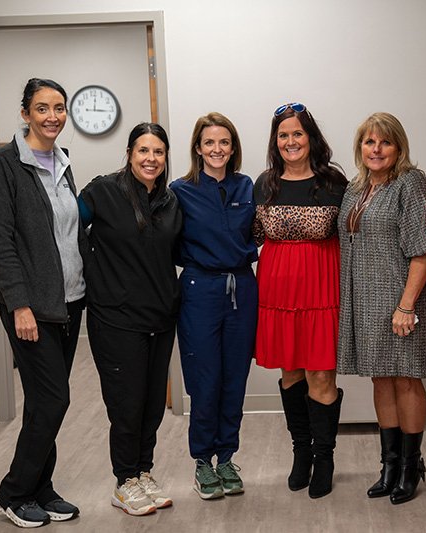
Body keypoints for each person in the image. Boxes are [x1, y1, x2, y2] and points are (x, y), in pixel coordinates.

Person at [0, 78, 85, 528]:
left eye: (59, 108)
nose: (52, 116)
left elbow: (64, 233)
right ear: (25, 113)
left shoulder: (63, 162)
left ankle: (41, 488)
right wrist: (19, 304)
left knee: (45, 402)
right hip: (29, 304)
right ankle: (13, 492)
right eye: (42, 108)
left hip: (69, 299)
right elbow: (0, 241)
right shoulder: (4, 163)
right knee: (54, 398)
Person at [78, 123, 182, 517]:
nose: (150, 158)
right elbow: (66, 230)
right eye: (143, 150)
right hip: (116, 318)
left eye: (158, 151)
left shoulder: (170, 200)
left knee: (153, 404)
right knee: (127, 404)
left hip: (160, 315)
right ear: (129, 152)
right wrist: (95, 274)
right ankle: (124, 482)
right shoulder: (102, 191)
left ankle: (142, 472)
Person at [337, 112, 426, 505]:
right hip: (366, 300)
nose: (376, 149)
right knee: (382, 380)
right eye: (369, 142)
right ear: (360, 147)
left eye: (385, 142)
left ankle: (411, 468)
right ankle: (390, 467)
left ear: (399, 148)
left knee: (407, 380)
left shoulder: (411, 184)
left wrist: (406, 306)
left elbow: (423, 250)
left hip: (403, 300)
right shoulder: (355, 187)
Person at [254, 102, 348, 499]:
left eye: (297, 133)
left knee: (321, 374)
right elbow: (253, 236)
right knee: (290, 371)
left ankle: (324, 459)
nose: (291, 141)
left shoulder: (333, 183)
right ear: (276, 142)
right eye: (283, 135)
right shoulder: (265, 183)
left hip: (321, 287)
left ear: (310, 137)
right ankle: (301, 455)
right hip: (277, 289)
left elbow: (350, 237)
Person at [170, 113, 258, 500]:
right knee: (205, 379)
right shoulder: (180, 190)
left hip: (241, 287)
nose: (217, 149)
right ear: (197, 148)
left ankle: (227, 457)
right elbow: (167, 242)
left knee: (234, 377)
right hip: (200, 289)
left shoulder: (246, 186)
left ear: (233, 147)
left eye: (224, 142)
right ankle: (203, 462)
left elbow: (256, 233)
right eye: (209, 143)